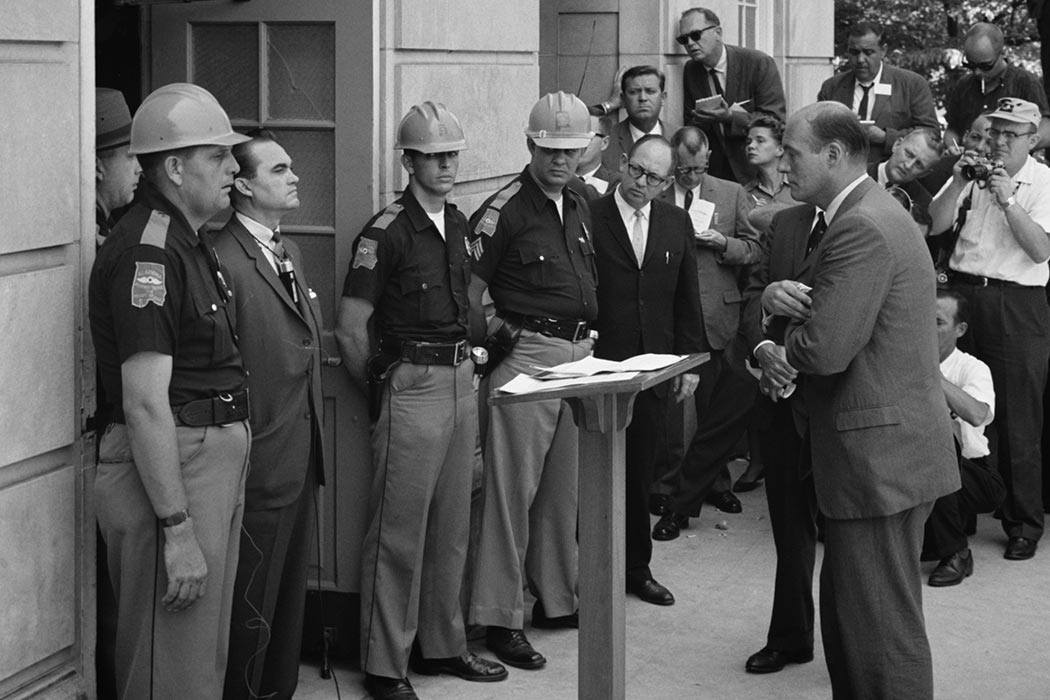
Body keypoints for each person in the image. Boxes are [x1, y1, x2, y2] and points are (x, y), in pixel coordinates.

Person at [772, 100, 958, 697]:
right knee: (857, 628)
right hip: (883, 454)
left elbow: (826, 348)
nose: (782, 163)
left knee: (879, 639)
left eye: (792, 153)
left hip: (878, 461)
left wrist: (780, 348)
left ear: (833, 154)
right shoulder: (862, 212)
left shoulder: (860, 223)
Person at [336, 102, 506, 700]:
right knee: (398, 533)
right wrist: (386, 391)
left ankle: (443, 645)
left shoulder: (459, 224)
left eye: (451, 155)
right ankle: (385, 665)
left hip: (462, 381)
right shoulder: (384, 232)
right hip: (412, 384)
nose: (445, 166)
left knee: (453, 526)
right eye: (433, 157)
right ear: (408, 161)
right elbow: (352, 328)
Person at [88, 82, 252, 699]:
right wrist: (176, 529)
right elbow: (144, 402)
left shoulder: (188, 240)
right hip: (174, 465)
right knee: (168, 666)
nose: (235, 168)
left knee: (197, 658)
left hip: (205, 456)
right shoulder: (148, 253)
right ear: (177, 168)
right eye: (218, 156)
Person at [465, 91, 597, 670]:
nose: (561, 159)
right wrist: (496, 339)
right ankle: (500, 616)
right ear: (529, 145)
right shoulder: (503, 209)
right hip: (527, 354)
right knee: (510, 491)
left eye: (571, 148)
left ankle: (557, 598)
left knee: (560, 490)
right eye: (550, 148)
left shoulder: (581, 202)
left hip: (577, 354)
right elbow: (466, 291)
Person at [212, 131, 327, 699]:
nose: (294, 177)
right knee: (250, 608)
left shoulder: (287, 248)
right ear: (243, 185)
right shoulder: (223, 258)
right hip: (258, 459)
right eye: (279, 170)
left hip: (300, 454)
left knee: (286, 608)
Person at [928, 96, 1050, 562]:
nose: (998, 140)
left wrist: (1008, 198)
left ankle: (1023, 522)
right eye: (994, 131)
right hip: (965, 293)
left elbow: (1039, 250)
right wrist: (957, 180)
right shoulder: (975, 172)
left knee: (1019, 417)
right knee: (957, 403)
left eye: (1010, 133)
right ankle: (961, 512)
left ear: (1032, 140)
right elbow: (936, 225)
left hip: (1016, 300)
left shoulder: (1041, 182)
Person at [591, 135, 704, 606]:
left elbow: (686, 295)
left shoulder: (676, 223)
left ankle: (637, 569)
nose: (641, 183)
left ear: (668, 182)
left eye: (654, 178)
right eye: (636, 171)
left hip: (653, 369)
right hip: (598, 365)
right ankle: (589, 571)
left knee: (640, 472)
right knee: (594, 471)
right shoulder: (589, 215)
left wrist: (689, 363)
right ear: (622, 163)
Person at [650, 126, 761, 539]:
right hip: (671, 317)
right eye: (682, 169)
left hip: (718, 316)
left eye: (697, 169)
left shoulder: (731, 194)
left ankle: (717, 485)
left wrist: (723, 243)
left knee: (715, 411)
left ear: (709, 159)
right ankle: (668, 488)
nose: (690, 178)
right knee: (673, 413)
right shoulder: (658, 191)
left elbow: (755, 250)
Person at [737, 200, 818, 675]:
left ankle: (861, 646)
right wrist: (766, 343)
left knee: (852, 541)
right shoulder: (787, 223)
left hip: (841, 406)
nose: (787, 165)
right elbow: (750, 297)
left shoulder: (873, 218)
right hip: (781, 403)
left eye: (796, 152)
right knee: (790, 530)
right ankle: (791, 637)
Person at [924, 288, 1007, 586]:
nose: (925, 327)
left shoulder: (973, 368)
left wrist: (930, 374)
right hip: (914, 468)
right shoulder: (900, 361)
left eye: (936, 321)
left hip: (976, 475)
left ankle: (957, 552)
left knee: (938, 446)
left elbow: (976, 414)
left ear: (960, 330)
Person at [678, 7, 786, 183]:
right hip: (714, 174)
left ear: (718, 32)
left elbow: (776, 121)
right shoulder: (691, 70)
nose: (690, 43)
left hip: (755, 172)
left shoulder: (758, 63)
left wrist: (730, 117)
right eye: (683, 39)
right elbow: (690, 123)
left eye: (696, 35)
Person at [816, 21, 939, 164]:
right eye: (854, 53)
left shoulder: (911, 84)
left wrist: (885, 138)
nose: (860, 59)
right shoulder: (832, 88)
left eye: (868, 52)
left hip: (893, 173)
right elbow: (819, 133)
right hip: (842, 173)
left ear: (883, 51)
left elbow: (931, 134)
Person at [943, 22, 1050, 150]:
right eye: (971, 65)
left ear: (1002, 53)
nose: (977, 72)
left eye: (985, 66)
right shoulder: (964, 84)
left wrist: (1015, 150)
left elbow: (1046, 128)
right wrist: (951, 146)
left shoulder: (1025, 82)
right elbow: (952, 128)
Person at [868, 127, 943, 234]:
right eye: (909, 154)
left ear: (924, 173)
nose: (908, 165)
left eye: (919, 164)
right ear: (897, 145)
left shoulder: (922, 203)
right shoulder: (856, 174)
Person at [96, 88, 142, 247]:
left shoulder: (106, 222)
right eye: (130, 156)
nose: (139, 169)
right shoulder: (91, 233)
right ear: (98, 167)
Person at [600, 65, 669, 172]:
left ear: (663, 98)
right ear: (623, 99)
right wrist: (609, 105)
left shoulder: (679, 138)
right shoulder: (606, 143)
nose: (643, 98)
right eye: (634, 92)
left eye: (650, 91)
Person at [743, 114, 798, 242]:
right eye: (748, 141)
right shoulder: (743, 194)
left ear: (780, 149)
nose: (751, 146)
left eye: (760, 140)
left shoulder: (800, 188)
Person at [576, 116, 619, 201]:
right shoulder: (552, 177)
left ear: (604, 143)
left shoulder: (616, 184)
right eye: (575, 136)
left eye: (587, 137)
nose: (579, 143)